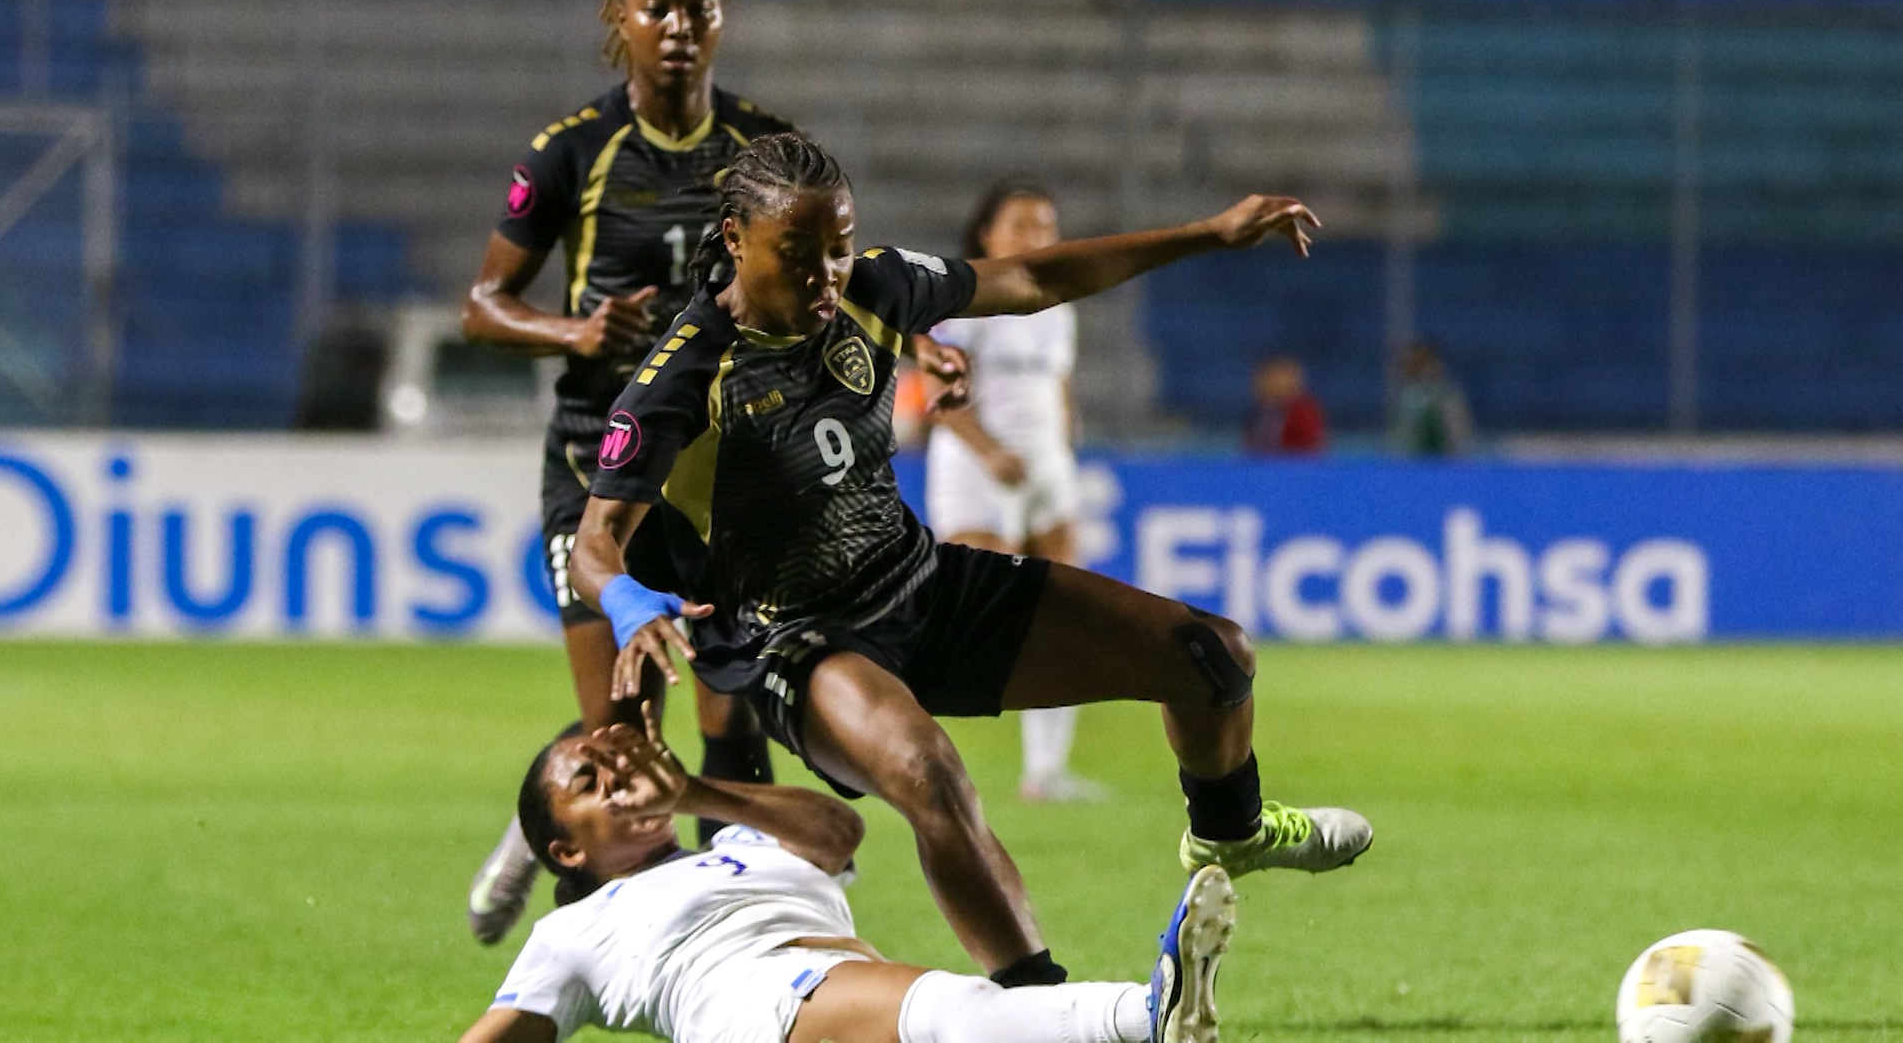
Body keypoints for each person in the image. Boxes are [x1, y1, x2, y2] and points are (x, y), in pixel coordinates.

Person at [569, 132, 1371, 987]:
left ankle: (1230, 830)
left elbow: (1036, 280)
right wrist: (625, 602)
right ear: (735, 238)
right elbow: (595, 542)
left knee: (1214, 657)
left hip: (921, 583)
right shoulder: (681, 378)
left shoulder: (874, 287)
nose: (825, 275)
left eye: (837, 248)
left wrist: (1209, 233)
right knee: (929, 774)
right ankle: (1041, 1010)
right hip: (801, 640)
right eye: (797, 254)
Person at [456, 0, 967, 943]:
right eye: (660, 7)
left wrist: (915, 337)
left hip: (728, 480)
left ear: (723, 17)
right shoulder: (571, 152)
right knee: (622, 736)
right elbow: (482, 306)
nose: (680, 26)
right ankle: (579, 909)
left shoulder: (764, 147)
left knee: (735, 714)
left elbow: (836, 274)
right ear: (625, 18)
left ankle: (745, 941)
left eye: (699, 7)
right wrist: (576, 334)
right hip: (599, 474)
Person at [457, 714, 1237, 1043]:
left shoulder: (742, 839)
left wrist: (692, 791)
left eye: (622, 766)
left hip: (828, 995)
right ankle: (1144, 1016)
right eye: (591, 784)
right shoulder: (568, 935)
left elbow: (841, 830)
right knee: (951, 1009)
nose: (620, 783)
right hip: (754, 1007)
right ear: (564, 852)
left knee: (951, 1016)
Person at [926, 180, 1104, 803]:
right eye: (1022, 225)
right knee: (978, 619)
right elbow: (938, 395)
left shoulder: (1061, 305)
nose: (1037, 238)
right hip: (979, 469)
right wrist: (989, 451)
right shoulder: (968, 300)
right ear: (987, 234)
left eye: (1046, 226)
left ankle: (1046, 772)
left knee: (1066, 615)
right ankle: (903, 755)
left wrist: (1062, 445)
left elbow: (1056, 389)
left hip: (1045, 468)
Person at [1389, 342, 1474, 457]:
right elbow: (1400, 440)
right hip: (1413, 461)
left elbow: (1461, 437)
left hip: (1443, 461)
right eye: (1415, 365)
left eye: (1420, 364)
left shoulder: (1448, 397)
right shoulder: (1408, 396)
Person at [1239, 357, 1326, 455]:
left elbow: (1312, 451)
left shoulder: (1303, 414)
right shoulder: (1258, 412)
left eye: (1278, 381)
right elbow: (1248, 448)